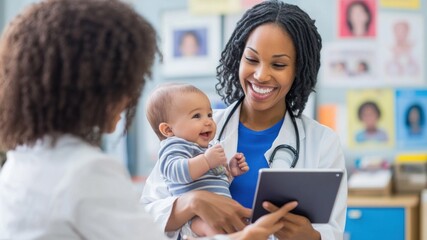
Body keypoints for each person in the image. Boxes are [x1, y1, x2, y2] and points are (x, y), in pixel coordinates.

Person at [0, 0, 299, 240]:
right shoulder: (85, 170)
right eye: (125, 84)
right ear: (91, 88)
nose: (130, 97)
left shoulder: (20, 161)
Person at [142, 1, 347, 239]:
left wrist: (311, 237)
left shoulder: (322, 142)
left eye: (278, 64)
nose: (261, 75)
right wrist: (192, 202)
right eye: (251, 59)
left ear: (298, 71)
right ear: (238, 58)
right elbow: (144, 215)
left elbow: (333, 230)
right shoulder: (195, 128)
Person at [145, 83, 249, 237]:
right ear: (168, 130)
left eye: (209, 115)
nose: (208, 121)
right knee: (222, 233)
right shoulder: (174, 146)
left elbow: (213, 181)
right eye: (196, 116)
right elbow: (176, 173)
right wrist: (206, 160)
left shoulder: (204, 148)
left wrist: (229, 172)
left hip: (219, 215)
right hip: (198, 219)